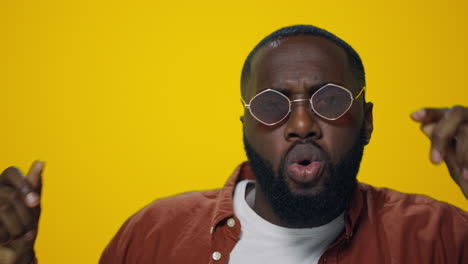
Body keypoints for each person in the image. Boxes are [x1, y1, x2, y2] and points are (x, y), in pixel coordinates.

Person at [0, 24, 467, 264]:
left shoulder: (441, 240)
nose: (302, 123)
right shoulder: (153, 236)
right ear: (245, 126)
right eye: (271, 104)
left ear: (367, 122)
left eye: (328, 100)